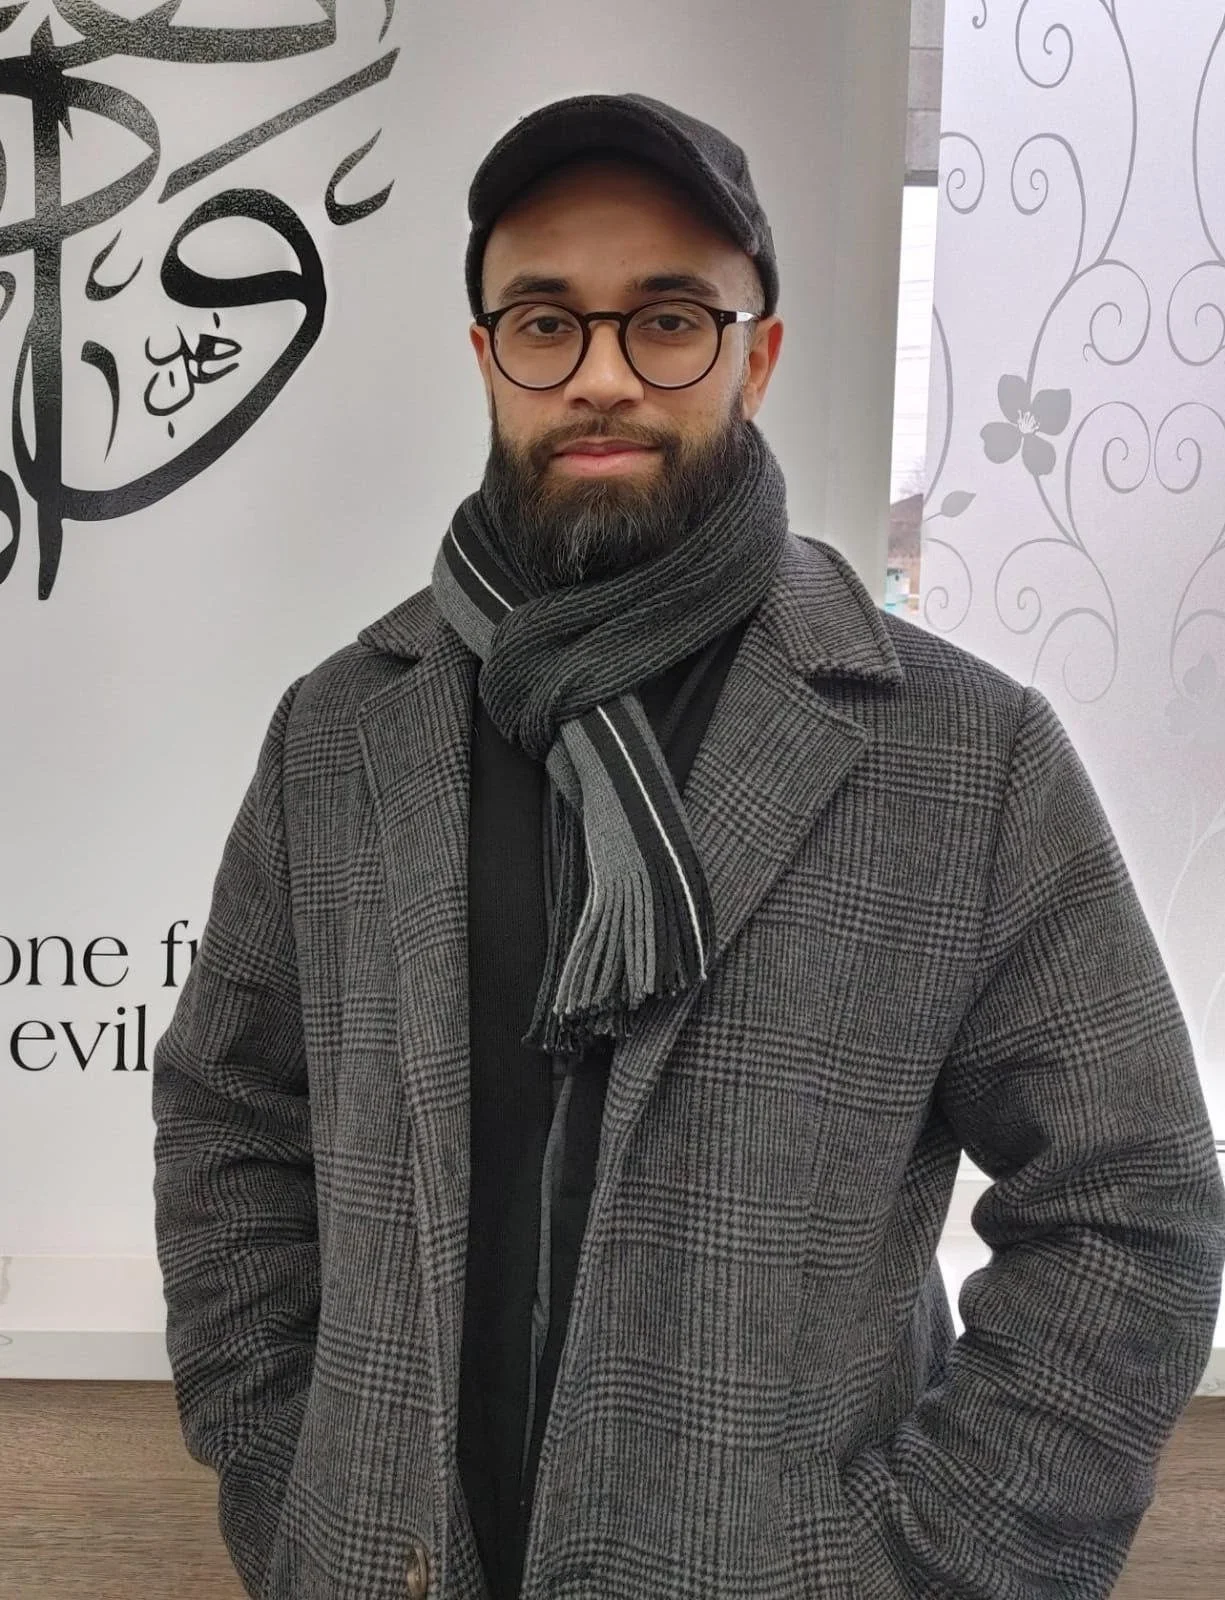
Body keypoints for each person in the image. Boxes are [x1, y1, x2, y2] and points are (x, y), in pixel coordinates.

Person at [151, 92, 1225, 1600]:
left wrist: (935, 1568)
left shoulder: (965, 754)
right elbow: (231, 1120)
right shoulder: (339, 731)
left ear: (756, 355)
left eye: (667, 321)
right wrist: (285, 1474)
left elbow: (1129, 1197)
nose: (602, 376)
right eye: (546, 322)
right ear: (487, 357)